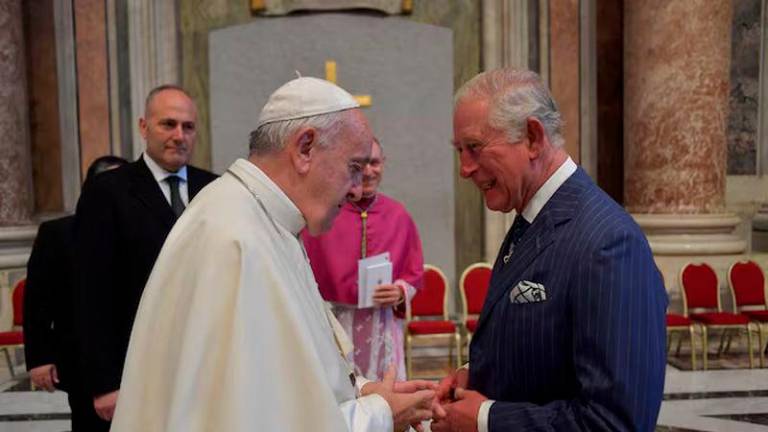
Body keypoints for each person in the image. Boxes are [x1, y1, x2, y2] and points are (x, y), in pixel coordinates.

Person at [110, 77, 436, 432]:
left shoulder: (267, 222)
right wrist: (380, 415)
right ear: (305, 148)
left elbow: (291, 377)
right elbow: (250, 420)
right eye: (353, 168)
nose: (357, 189)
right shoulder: (234, 239)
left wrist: (363, 390)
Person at [432, 68, 668, 431]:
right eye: (459, 151)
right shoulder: (532, 218)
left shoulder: (608, 242)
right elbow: (541, 350)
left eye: (475, 148)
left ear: (532, 137)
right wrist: (475, 377)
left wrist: (485, 418)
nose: (464, 169)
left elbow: (615, 422)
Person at [74, 85, 218, 429]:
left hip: (201, 362)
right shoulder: (107, 191)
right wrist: (105, 381)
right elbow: (89, 291)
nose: (179, 136)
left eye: (188, 127)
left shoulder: (215, 189)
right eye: (168, 124)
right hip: (132, 364)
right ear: (143, 127)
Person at [302, 137, 424, 381]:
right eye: (361, 164)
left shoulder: (398, 214)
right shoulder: (326, 214)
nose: (369, 171)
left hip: (382, 326)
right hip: (337, 322)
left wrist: (399, 292)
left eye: (375, 163)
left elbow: (414, 272)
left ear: (384, 164)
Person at [23, 156, 127, 431]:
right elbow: (37, 299)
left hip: (135, 354)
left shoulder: (141, 229)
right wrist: (39, 357)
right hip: (80, 357)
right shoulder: (58, 233)